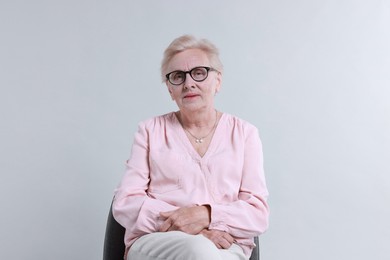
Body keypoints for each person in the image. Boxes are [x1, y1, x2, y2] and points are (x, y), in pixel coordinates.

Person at [112, 35, 269, 260]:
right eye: (178, 77)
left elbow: (257, 215)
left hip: (225, 244)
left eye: (199, 72)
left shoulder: (245, 134)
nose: (188, 83)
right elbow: (126, 202)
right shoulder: (150, 131)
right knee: (198, 250)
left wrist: (206, 215)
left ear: (218, 81)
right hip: (157, 240)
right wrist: (189, 226)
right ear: (170, 90)